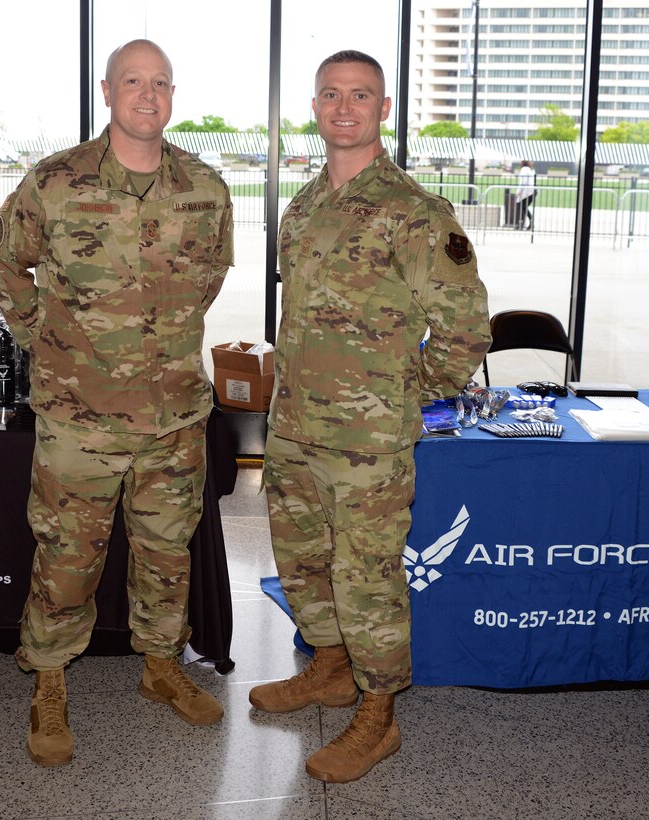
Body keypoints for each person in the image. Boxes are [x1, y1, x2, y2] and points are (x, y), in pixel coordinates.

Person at [0, 39, 234, 767]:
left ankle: (160, 667)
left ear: (172, 94)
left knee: (165, 553)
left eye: (159, 83)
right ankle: (50, 680)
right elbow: (2, 255)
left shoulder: (205, 187)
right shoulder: (57, 181)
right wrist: (41, 333)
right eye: (133, 81)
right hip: (79, 417)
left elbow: (209, 275)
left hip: (174, 416)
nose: (147, 95)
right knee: (67, 555)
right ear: (106, 91)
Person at [248, 50, 491, 783]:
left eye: (360, 95)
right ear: (314, 106)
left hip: (366, 444)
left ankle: (378, 716)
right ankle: (327, 668)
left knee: (367, 578)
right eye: (330, 94)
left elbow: (464, 330)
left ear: (384, 110)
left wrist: (397, 390)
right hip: (293, 429)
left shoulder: (415, 212)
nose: (344, 107)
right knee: (303, 562)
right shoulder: (302, 206)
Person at [515, 160, 536, 230]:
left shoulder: (524, 170)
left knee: (522, 208)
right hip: (530, 191)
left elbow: (523, 182)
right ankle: (528, 223)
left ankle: (522, 224)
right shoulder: (529, 170)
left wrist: (518, 191)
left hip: (527, 192)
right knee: (524, 208)